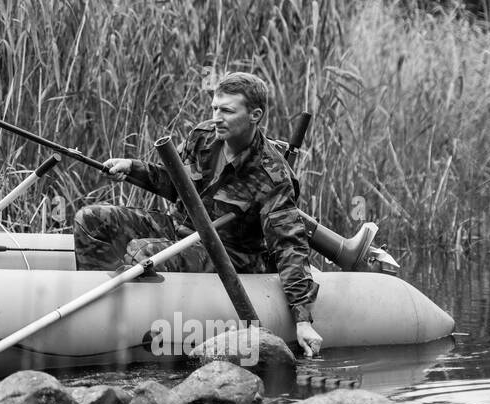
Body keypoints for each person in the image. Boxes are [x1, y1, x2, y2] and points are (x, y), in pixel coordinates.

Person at [73, 72, 325, 357]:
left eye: (227, 110)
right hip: (184, 228)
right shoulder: (203, 136)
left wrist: (303, 320)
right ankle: (93, 315)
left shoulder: (272, 173)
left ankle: (137, 334)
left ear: (255, 115)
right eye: (215, 108)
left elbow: (289, 244)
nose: (217, 117)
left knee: (142, 253)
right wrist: (132, 168)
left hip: (230, 252)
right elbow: (174, 182)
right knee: (90, 219)